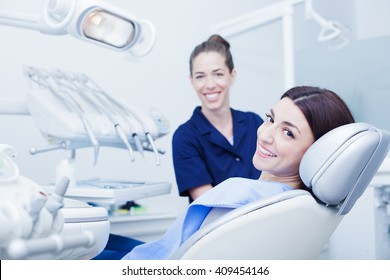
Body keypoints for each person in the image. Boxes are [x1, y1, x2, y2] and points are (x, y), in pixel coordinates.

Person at [94, 86, 355, 260]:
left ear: (317, 151)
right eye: (270, 118)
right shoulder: (305, 204)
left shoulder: (239, 193)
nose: (264, 135)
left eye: (288, 132)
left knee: (88, 244)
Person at [172, 34, 264, 202]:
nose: (210, 85)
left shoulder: (254, 123)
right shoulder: (185, 137)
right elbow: (210, 204)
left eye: (218, 74)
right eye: (200, 76)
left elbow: (276, 177)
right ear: (191, 81)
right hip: (220, 227)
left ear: (232, 75)